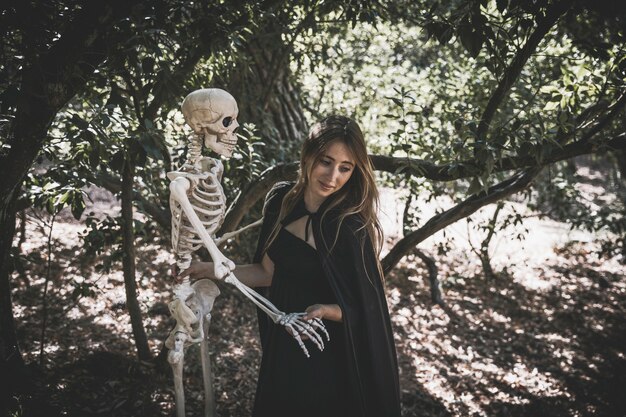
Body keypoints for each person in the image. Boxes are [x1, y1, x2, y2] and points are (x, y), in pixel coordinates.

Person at [179, 115, 401, 417]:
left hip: (325, 352)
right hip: (285, 341)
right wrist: (208, 269)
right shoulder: (281, 201)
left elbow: (367, 309)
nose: (333, 176)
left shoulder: (349, 226)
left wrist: (325, 310)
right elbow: (266, 273)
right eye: (326, 161)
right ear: (308, 155)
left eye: (345, 168)